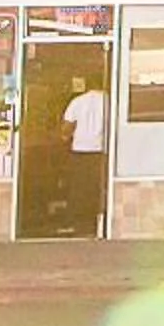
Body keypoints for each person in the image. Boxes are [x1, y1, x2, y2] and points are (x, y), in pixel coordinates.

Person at [59, 72, 108, 236]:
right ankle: (97, 222)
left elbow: (67, 126)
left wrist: (65, 137)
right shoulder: (109, 101)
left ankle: (76, 222)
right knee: (98, 187)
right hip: (101, 150)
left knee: (78, 188)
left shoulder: (78, 101)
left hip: (79, 150)